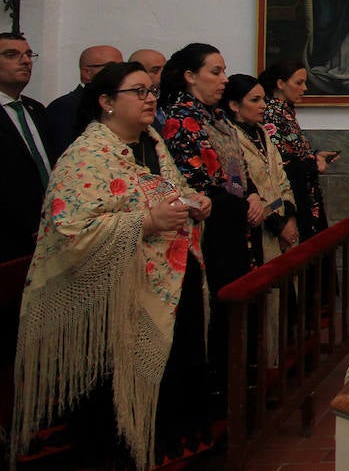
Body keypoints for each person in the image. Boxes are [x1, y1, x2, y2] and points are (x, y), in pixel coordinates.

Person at [10, 61, 211, 470]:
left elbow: (170, 191)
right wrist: (147, 222)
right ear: (106, 102)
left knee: (171, 386)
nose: (150, 98)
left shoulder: (152, 142)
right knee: (111, 415)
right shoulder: (86, 156)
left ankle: (159, 446)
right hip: (113, 302)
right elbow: (71, 230)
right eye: (138, 91)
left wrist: (194, 201)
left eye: (152, 90)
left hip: (168, 284)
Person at [159, 42, 260, 399]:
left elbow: (238, 170)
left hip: (234, 224)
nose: (224, 79)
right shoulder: (179, 118)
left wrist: (252, 194)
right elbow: (195, 183)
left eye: (223, 71)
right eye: (215, 72)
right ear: (189, 76)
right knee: (217, 306)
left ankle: (236, 376)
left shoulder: (216, 116)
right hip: (210, 231)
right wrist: (238, 201)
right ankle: (218, 385)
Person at [221, 74, 298, 365]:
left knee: (284, 300)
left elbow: (280, 176)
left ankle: (280, 362)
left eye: (263, 99)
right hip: (260, 230)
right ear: (233, 105)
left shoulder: (263, 133)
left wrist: (288, 216)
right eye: (255, 100)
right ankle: (265, 368)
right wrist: (276, 223)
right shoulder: (230, 137)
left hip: (283, 225)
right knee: (264, 302)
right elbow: (242, 184)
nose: (263, 105)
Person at [259, 59, 333, 241]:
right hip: (291, 196)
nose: (305, 88)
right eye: (299, 83)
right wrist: (313, 165)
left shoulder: (285, 112)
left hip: (305, 194)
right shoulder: (271, 114)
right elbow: (282, 162)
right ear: (280, 84)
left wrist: (314, 156)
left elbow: (294, 150)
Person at [0, 32, 56, 261]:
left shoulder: (37, 110)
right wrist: (28, 223)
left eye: (28, 54)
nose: (25, 61)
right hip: (8, 237)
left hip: (48, 233)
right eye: (12, 55)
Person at [46, 43, 123, 154]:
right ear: (87, 73)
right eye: (112, 67)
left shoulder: (119, 102)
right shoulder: (64, 107)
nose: (121, 73)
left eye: (122, 67)